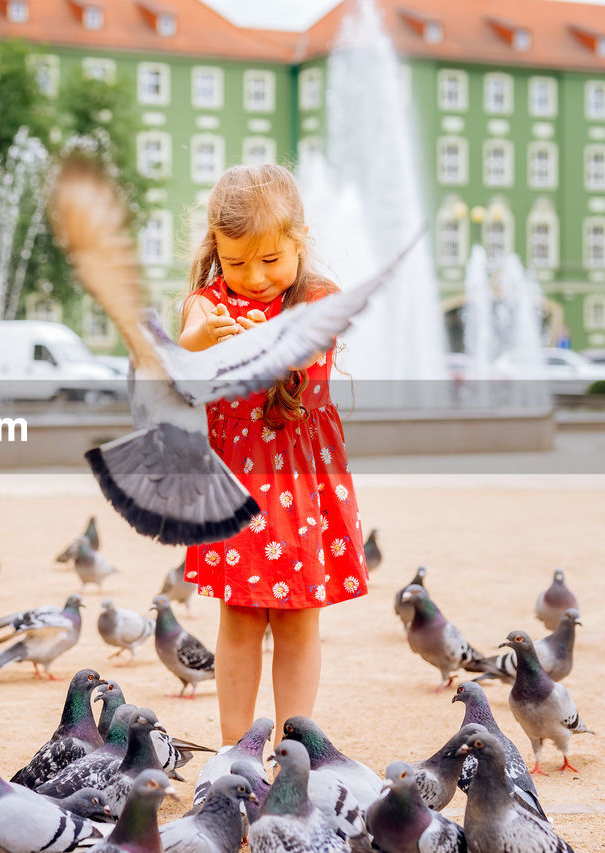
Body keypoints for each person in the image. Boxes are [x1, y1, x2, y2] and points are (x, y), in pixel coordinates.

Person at [178, 163, 368, 743]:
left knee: (298, 619)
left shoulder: (319, 298)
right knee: (237, 617)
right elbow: (184, 357)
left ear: (299, 243)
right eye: (236, 263)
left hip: (301, 485)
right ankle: (235, 751)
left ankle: (295, 745)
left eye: (270, 260)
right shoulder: (208, 304)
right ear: (217, 250)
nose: (254, 277)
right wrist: (204, 339)